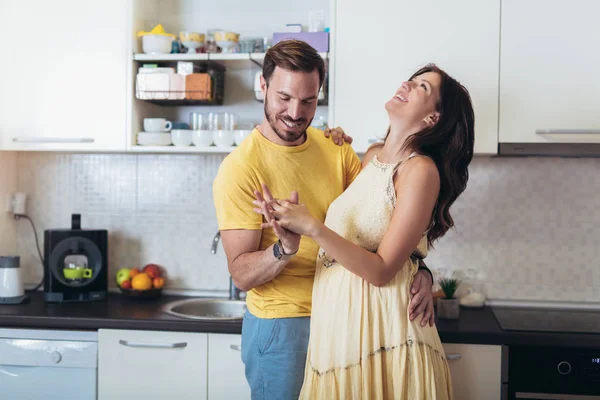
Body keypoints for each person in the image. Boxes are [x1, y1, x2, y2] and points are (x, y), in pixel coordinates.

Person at [212, 39, 436, 400]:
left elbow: (380, 226)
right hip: (284, 324)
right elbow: (240, 274)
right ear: (263, 87)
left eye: (308, 100)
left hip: (345, 316)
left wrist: (422, 270)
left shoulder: (336, 149)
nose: (295, 112)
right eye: (284, 97)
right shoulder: (240, 169)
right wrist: (283, 249)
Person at [254, 63, 475, 399]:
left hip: (385, 331)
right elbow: (372, 231)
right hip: (341, 329)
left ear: (433, 119)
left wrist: (312, 226)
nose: (408, 84)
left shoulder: (420, 171)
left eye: (423, 88)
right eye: (412, 80)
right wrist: (332, 144)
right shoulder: (370, 157)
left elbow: (383, 269)